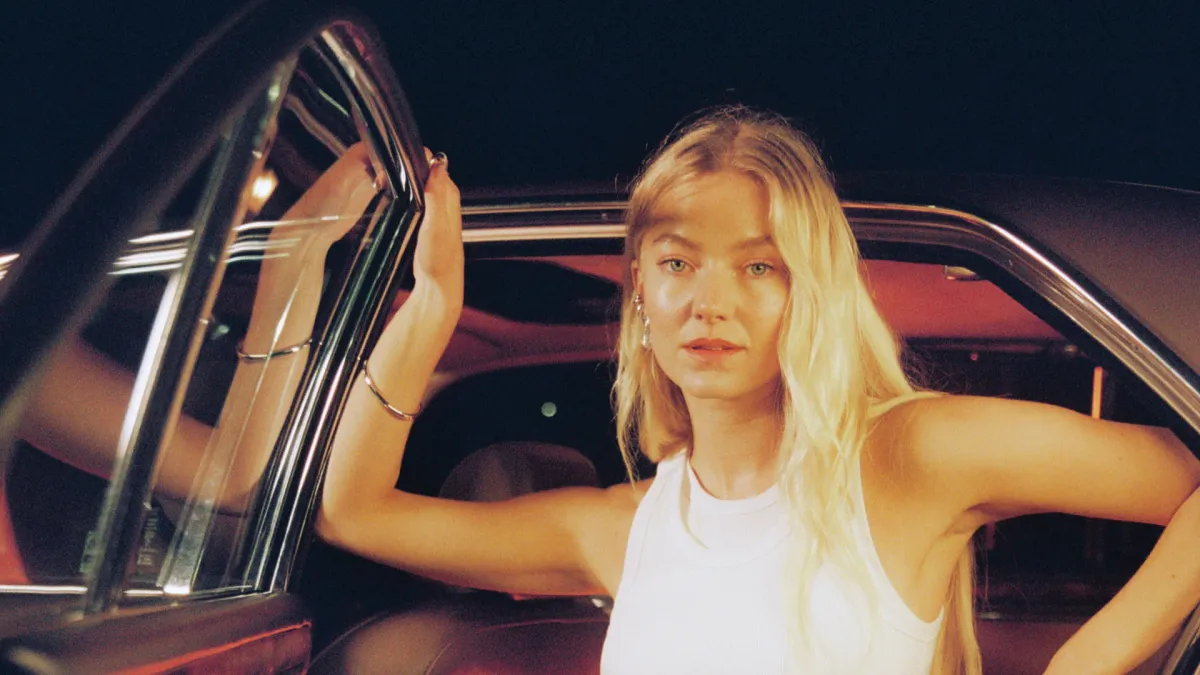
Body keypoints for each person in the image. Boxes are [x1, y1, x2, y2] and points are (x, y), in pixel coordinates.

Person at [318, 109, 1200, 674]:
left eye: (758, 266)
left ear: (807, 287)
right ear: (640, 286)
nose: (711, 301)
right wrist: (433, 303)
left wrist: (1082, 667)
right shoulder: (624, 529)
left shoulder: (905, 454)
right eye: (678, 262)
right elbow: (354, 511)